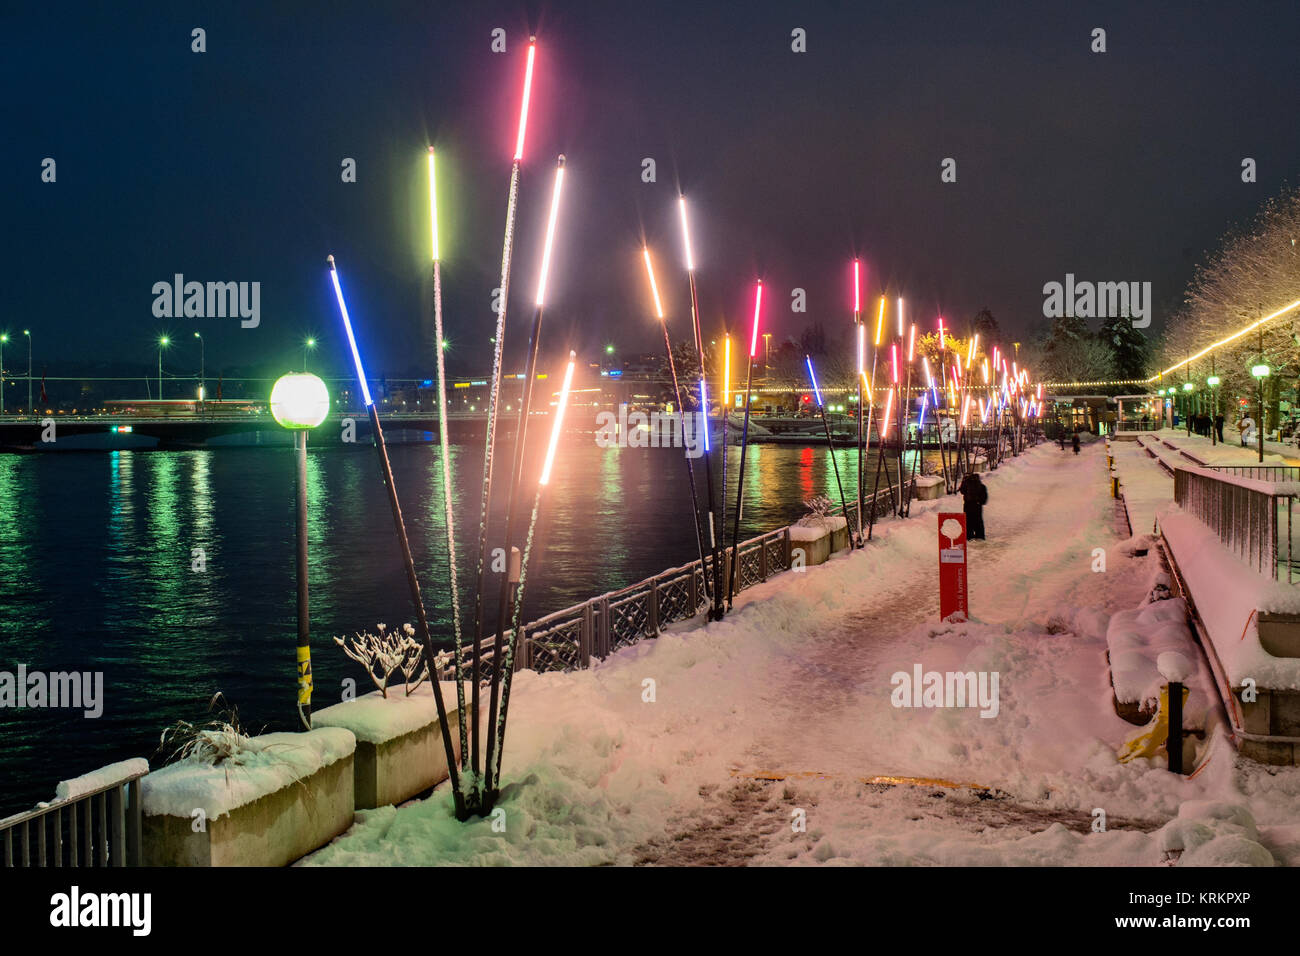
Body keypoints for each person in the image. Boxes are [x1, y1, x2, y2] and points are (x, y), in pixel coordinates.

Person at [959, 472, 988, 540]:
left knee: (968, 522)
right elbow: (984, 500)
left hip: (967, 505)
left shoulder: (966, 485)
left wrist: (963, 481)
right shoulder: (982, 486)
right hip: (977, 506)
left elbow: (962, 491)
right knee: (978, 522)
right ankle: (980, 537)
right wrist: (979, 502)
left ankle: (969, 537)